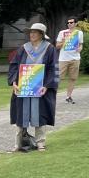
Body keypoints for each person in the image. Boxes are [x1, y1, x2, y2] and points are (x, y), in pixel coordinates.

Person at [8, 23, 58, 151]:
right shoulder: (24, 48)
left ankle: (40, 142)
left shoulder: (49, 49)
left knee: (39, 114)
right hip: (24, 87)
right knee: (21, 114)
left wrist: (46, 86)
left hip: (40, 88)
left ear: (41, 34)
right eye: (31, 32)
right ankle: (18, 144)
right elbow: (14, 66)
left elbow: (53, 69)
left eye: (35, 32)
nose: (32, 34)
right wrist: (14, 82)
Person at [55, 17, 84, 104]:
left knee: (73, 78)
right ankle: (52, 96)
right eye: (68, 23)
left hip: (75, 58)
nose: (69, 24)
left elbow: (81, 45)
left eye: (71, 22)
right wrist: (63, 42)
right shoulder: (62, 33)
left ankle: (68, 96)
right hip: (63, 59)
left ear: (75, 23)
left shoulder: (79, 33)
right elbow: (57, 46)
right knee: (58, 78)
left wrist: (80, 49)